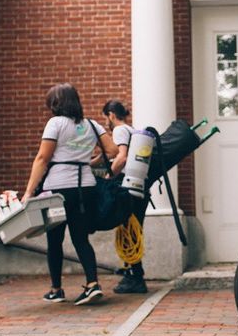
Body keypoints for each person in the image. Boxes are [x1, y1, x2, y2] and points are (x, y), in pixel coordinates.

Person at [22, 83, 118, 305]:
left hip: (59, 189)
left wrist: (28, 192)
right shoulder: (93, 125)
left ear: (56, 103)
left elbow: (42, 159)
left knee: (54, 239)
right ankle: (92, 284)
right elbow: (113, 151)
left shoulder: (55, 123)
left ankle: (56, 289)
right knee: (80, 237)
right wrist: (86, 162)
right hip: (86, 186)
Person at [91, 99, 149, 294]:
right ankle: (132, 275)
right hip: (139, 187)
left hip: (127, 188)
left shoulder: (119, 130)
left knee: (128, 232)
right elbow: (110, 156)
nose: (106, 121)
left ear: (111, 115)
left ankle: (135, 277)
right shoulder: (131, 130)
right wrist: (92, 162)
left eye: (105, 117)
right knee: (132, 230)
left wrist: (109, 176)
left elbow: (121, 156)